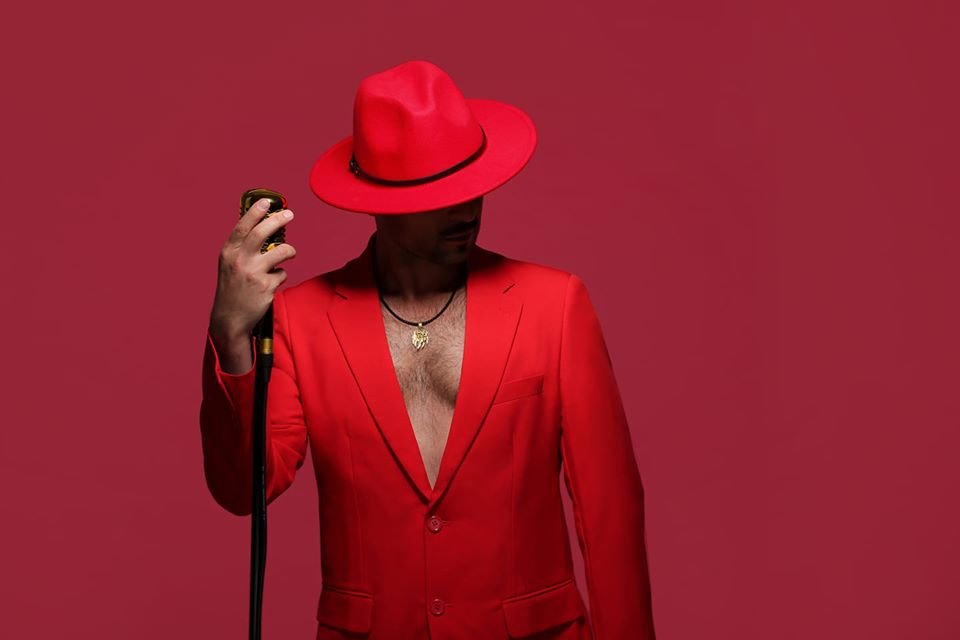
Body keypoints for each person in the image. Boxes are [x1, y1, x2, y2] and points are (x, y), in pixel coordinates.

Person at [200, 59, 656, 640]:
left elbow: (610, 513)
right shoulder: (302, 319)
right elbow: (244, 489)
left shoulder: (555, 305)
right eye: (438, 195)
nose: (466, 209)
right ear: (376, 199)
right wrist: (230, 337)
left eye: (473, 185)